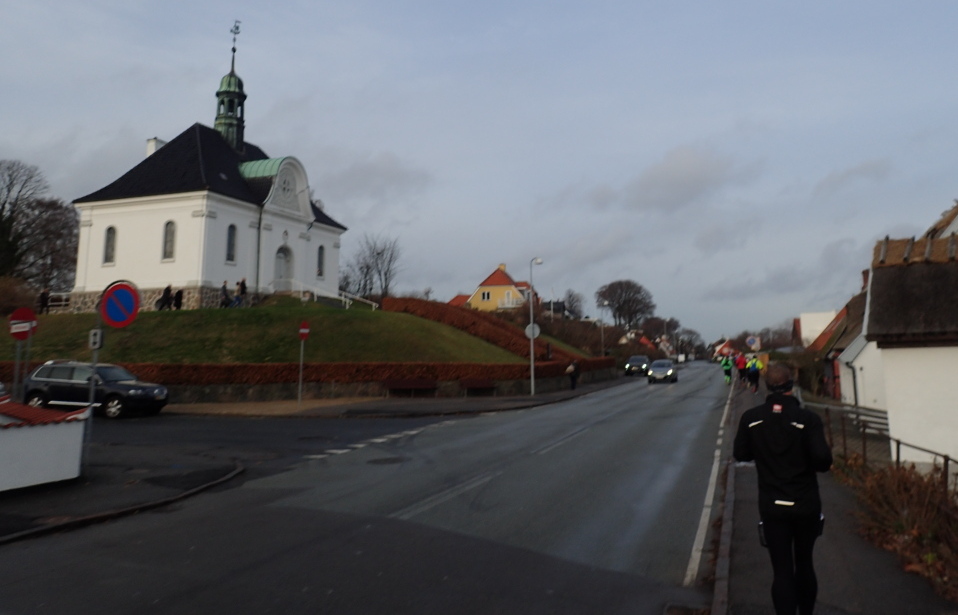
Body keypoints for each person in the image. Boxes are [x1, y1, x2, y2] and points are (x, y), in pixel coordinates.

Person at [733, 362, 833, 615]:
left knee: (781, 571)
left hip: (772, 505)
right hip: (805, 504)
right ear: (791, 384)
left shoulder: (751, 419)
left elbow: (741, 454)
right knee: (804, 564)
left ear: (767, 386)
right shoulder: (807, 420)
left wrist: (765, 453)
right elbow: (823, 461)